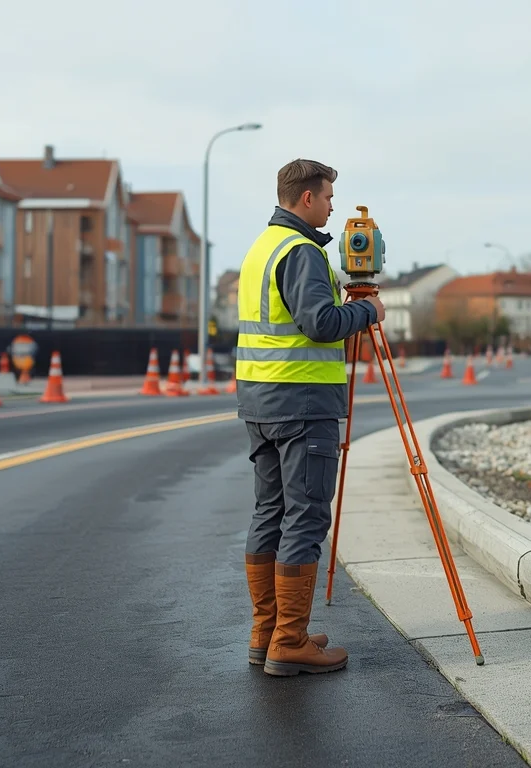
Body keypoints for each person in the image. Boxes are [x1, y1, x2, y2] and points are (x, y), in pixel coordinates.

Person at [235, 158, 385, 677]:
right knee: (305, 516)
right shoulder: (300, 252)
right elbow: (321, 324)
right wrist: (367, 311)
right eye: (327, 199)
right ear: (306, 199)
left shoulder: (262, 247)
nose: (331, 208)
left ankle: (268, 633)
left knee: (270, 512)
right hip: (301, 403)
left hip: (261, 400)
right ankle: (290, 642)